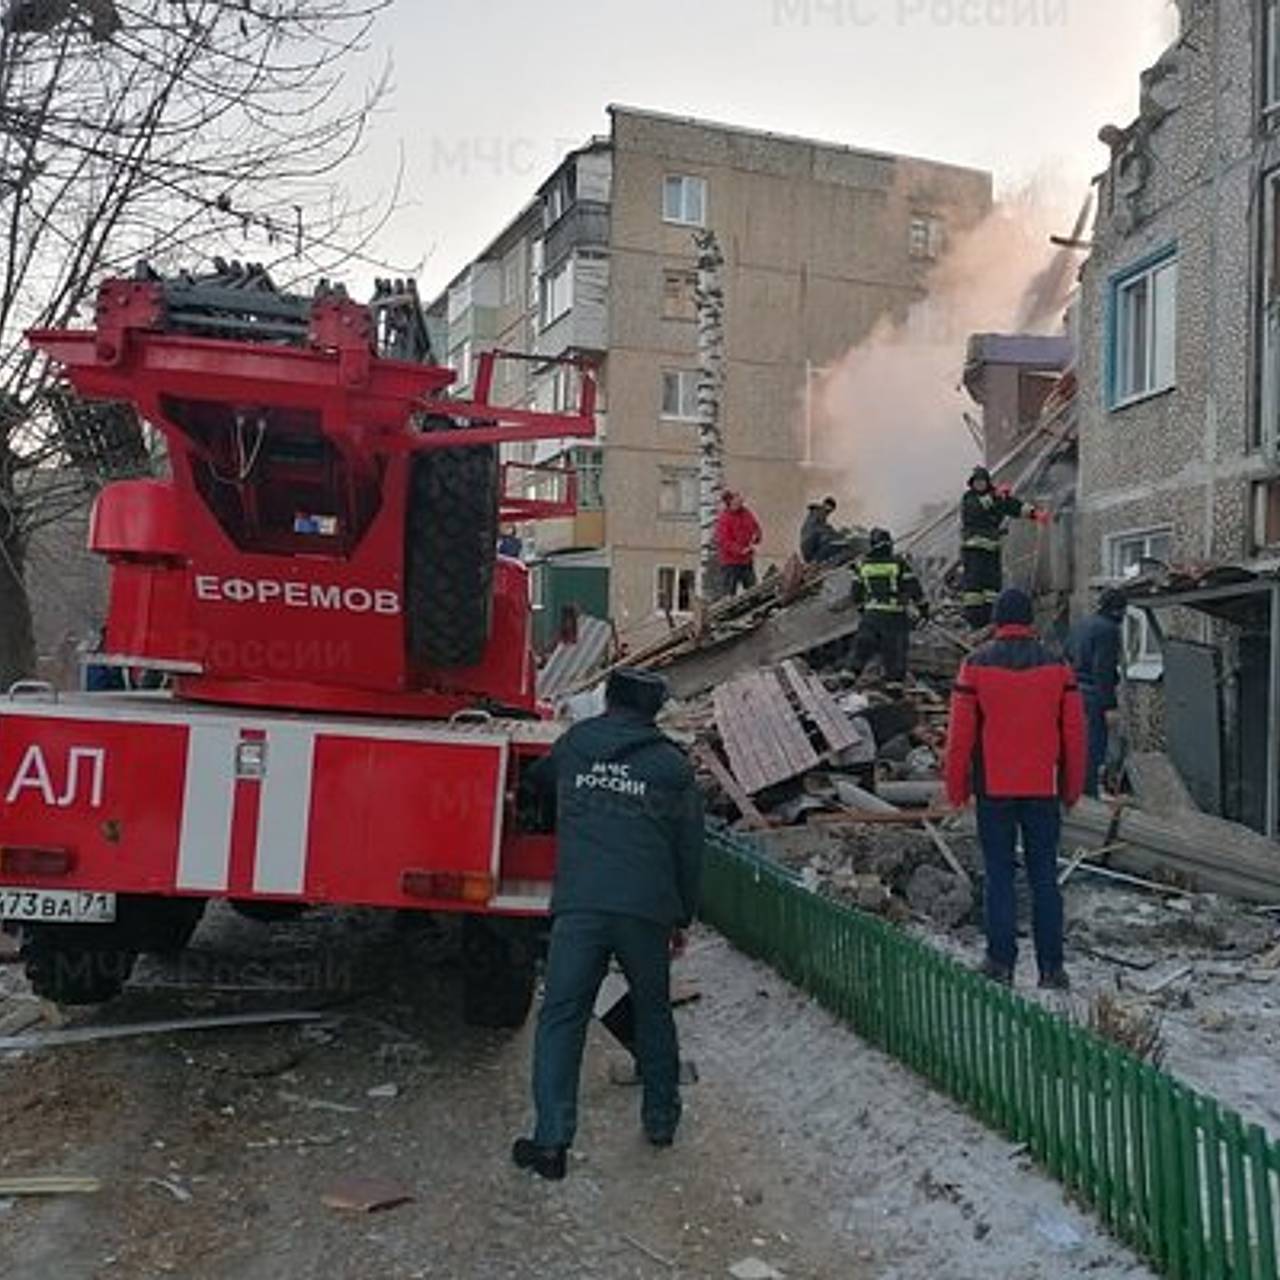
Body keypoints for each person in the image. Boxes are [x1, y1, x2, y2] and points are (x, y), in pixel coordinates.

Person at [512, 668, 704, 1181]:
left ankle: (551, 1142)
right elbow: (689, 850)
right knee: (654, 1010)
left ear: (608, 701)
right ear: (654, 710)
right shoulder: (671, 766)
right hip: (646, 910)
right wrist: (681, 915)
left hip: (582, 906)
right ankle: (661, 1121)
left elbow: (534, 784)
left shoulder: (576, 745)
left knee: (562, 1017)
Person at [943, 588, 1086, 990]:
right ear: (1030, 621)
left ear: (996, 620)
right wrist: (1072, 788)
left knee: (1000, 875)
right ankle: (1052, 969)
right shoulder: (1058, 667)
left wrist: (956, 788)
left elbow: (960, 738)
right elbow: (1074, 735)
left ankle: (1000, 962)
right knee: (1044, 877)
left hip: (995, 788)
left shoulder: (974, 665)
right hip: (1043, 787)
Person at [960, 466, 1048, 629]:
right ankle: (973, 620)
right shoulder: (969, 499)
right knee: (974, 589)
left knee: (992, 587)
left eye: (982, 482)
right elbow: (978, 507)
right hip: (974, 550)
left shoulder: (996, 497)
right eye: (977, 482)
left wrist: (1035, 514)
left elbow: (1015, 506)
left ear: (987, 482)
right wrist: (996, 495)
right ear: (972, 484)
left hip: (992, 549)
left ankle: (990, 618)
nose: (980, 485)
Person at [1067, 587, 1127, 798]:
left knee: (1077, 745)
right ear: (1118, 611)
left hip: (1074, 692)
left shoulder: (1080, 625)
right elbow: (1102, 669)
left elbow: (1067, 656)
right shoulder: (1108, 630)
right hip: (1094, 696)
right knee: (1094, 748)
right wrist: (1109, 705)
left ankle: (1076, 790)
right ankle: (1088, 794)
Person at [849, 527, 929, 684]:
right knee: (895, 655)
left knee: (860, 650)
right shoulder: (898, 563)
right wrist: (924, 610)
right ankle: (894, 689)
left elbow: (855, 594)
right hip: (894, 616)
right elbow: (914, 588)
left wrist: (863, 611)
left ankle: (846, 680)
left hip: (871, 615)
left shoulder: (862, 565)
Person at [714, 490, 763, 597]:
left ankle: (756, 610)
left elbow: (755, 527)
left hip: (746, 561)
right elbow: (724, 541)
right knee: (729, 595)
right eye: (737, 501)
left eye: (741, 501)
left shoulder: (746, 513)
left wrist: (757, 536)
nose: (740, 503)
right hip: (730, 563)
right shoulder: (724, 519)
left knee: (753, 591)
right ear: (730, 503)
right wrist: (740, 550)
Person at [800, 496, 839, 564]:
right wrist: (833, 532)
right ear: (825, 504)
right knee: (830, 542)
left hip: (806, 545)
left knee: (829, 539)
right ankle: (815, 562)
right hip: (809, 544)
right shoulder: (818, 513)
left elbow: (821, 528)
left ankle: (815, 562)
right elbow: (819, 529)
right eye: (830, 508)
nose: (829, 512)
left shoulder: (815, 514)